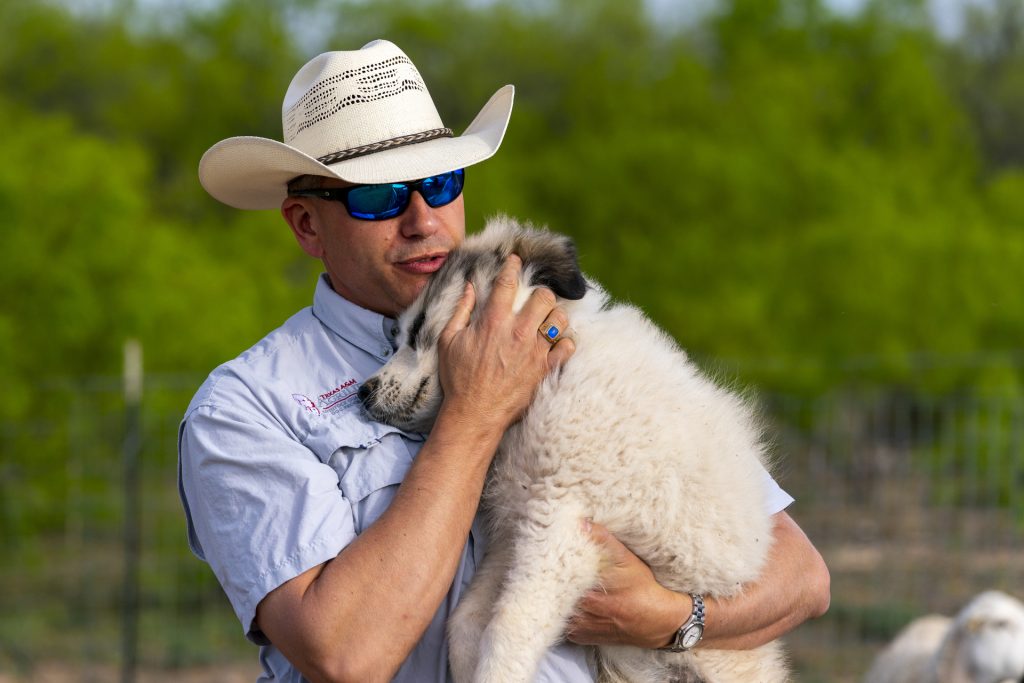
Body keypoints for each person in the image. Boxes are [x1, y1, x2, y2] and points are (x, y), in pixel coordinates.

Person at [178, 39, 830, 683]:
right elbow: (347, 654)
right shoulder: (247, 406)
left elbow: (801, 577)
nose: (423, 219)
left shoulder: (555, 322)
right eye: (376, 196)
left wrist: (667, 616)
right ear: (305, 224)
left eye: (439, 182)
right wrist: (476, 411)